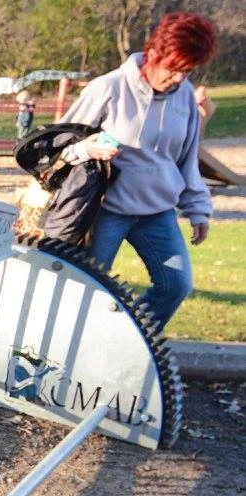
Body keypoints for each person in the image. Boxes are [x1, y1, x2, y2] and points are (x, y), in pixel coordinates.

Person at [60, 12, 217, 329]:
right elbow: (58, 146)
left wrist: (198, 207)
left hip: (158, 212)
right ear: (154, 54)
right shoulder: (109, 87)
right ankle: (69, 350)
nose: (178, 79)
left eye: (187, 71)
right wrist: (87, 148)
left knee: (176, 285)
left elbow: (187, 159)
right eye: (174, 68)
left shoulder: (185, 97)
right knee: (86, 291)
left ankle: (130, 343)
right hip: (105, 210)